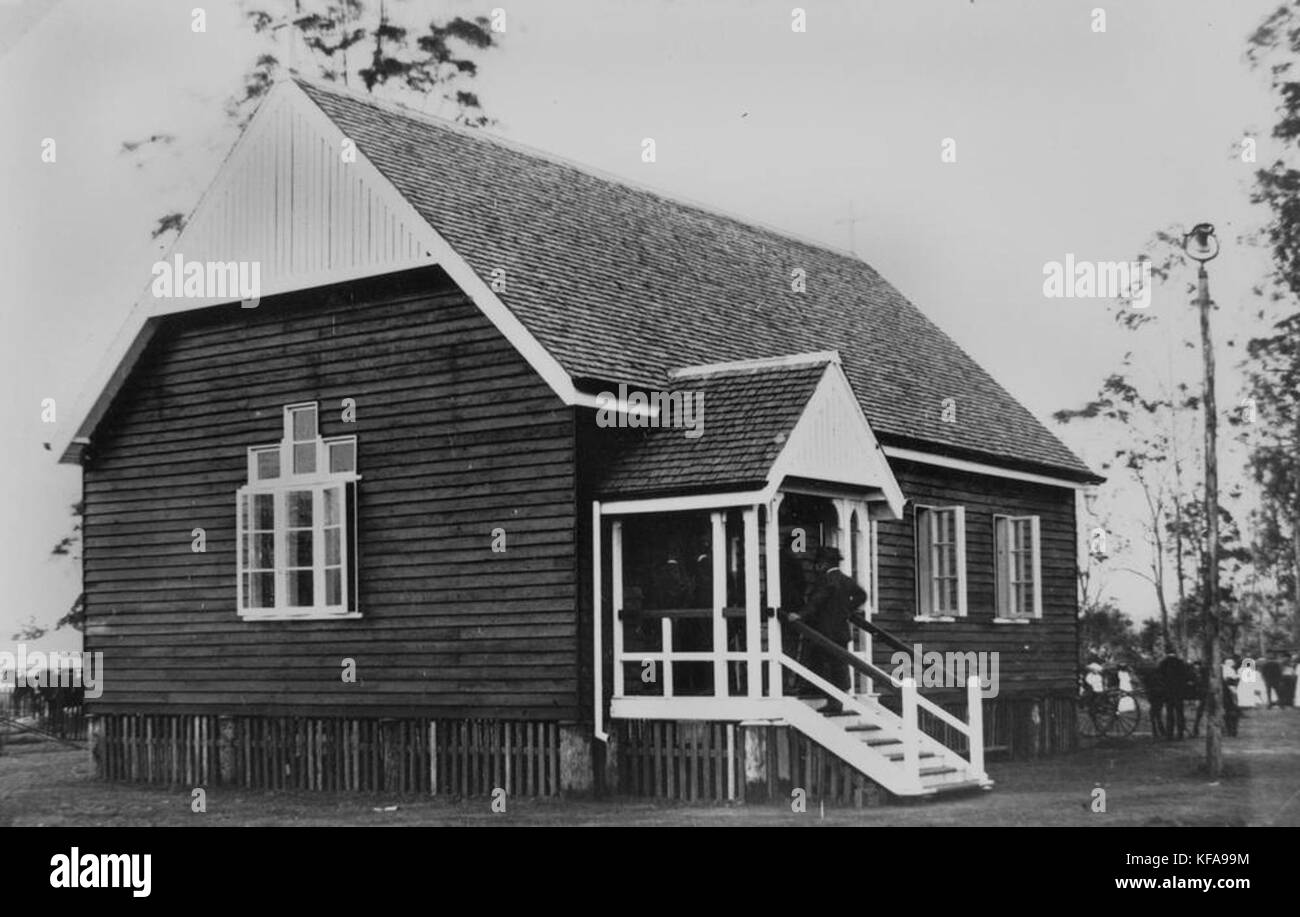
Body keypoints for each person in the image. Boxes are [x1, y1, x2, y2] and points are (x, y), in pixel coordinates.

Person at [796, 545, 866, 715]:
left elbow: (818, 601)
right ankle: (837, 700)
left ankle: (833, 702)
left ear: (824, 564)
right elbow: (862, 595)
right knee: (839, 665)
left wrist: (800, 615)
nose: (816, 567)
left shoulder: (826, 580)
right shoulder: (845, 579)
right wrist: (847, 609)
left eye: (818, 563)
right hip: (841, 630)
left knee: (827, 666)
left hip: (825, 631)